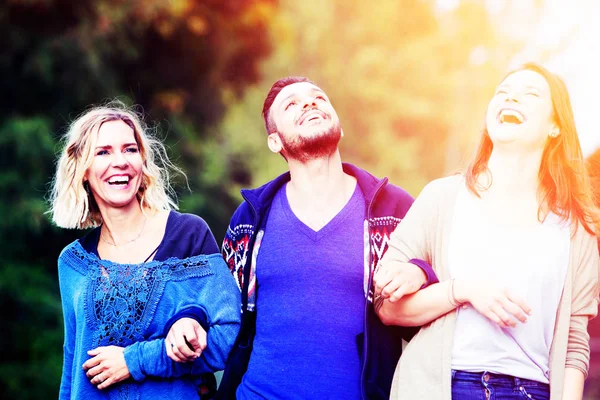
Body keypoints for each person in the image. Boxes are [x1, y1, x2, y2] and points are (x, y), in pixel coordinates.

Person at [168, 76, 438, 399]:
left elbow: (428, 311)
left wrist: (420, 272)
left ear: (339, 126)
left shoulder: (391, 209)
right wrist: (189, 318)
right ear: (275, 141)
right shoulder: (251, 219)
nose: (310, 103)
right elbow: (219, 305)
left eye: (318, 98)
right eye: (291, 104)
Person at [374, 63, 600, 400]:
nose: (511, 99)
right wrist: (462, 291)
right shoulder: (442, 197)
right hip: (443, 386)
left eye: (530, 94)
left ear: (555, 126)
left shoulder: (577, 226)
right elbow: (387, 308)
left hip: (531, 391)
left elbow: (574, 345)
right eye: (503, 93)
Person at [49, 102, 241, 399]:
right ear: (83, 170)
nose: (120, 162)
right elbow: (72, 366)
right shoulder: (74, 262)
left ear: (143, 162)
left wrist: (135, 360)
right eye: (103, 152)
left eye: (130, 149)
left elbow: (228, 335)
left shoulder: (188, 234)